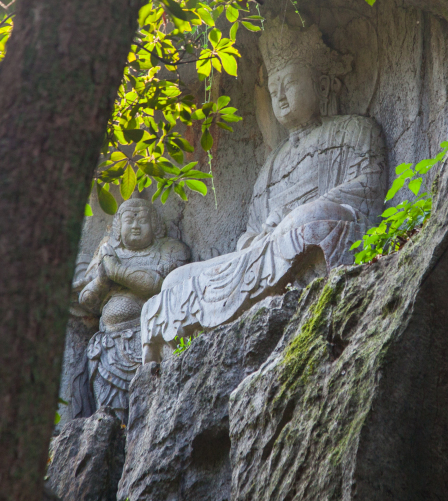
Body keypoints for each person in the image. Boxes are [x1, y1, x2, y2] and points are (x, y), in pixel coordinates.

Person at [140, 54, 386, 355]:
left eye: (291, 83)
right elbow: (250, 235)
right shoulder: (272, 165)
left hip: (308, 233)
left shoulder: (354, 130)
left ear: (321, 85)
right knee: (175, 281)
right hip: (268, 253)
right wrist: (260, 236)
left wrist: (290, 220)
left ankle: (280, 276)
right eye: (273, 90)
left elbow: (368, 189)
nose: (280, 96)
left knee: (303, 223)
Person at [73, 198, 189, 422]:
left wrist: (116, 271)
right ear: (117, 227)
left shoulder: (170, 249)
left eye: (143, 220)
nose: (135, 225)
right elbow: (86, 299)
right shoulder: (107, 252)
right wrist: (102, 280)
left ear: (155, 226)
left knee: (158, 409)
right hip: (109, 348)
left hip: (156, 340)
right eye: (129, 220)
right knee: (111, 418)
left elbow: (158, 284)